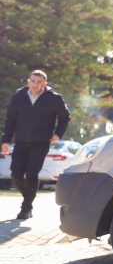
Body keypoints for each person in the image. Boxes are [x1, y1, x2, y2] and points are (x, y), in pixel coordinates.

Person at [1, 70, 71, 220]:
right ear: (28, 82)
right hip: (20, 141)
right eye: (33, 81)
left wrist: (58, 133)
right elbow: (10, 120)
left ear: (44, 84)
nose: (35, 84)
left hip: (41, 142)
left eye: (39, 82)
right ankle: (29, 197)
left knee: (32, 173)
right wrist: (6, 141)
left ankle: (26, 208)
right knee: (16, 173)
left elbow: (65, 117)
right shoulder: (18, 97)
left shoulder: (54, 98)